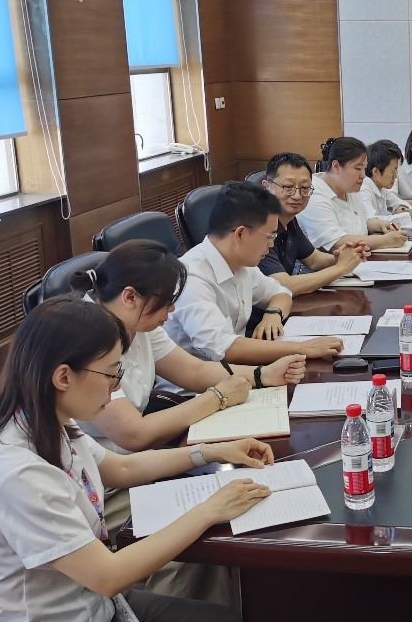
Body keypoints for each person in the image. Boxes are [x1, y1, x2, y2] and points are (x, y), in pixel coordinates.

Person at [0, 297, 275, 622]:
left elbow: (121, 468)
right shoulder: (16, 470)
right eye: (111, 373)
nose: (117, 385)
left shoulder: (49, 421)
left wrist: (212, 451)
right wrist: (209, 510)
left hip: (79, 615)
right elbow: (108, 576)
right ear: (63, 376)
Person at [70, 240, 303, 603]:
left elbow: (193, 370)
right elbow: (134, 434)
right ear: (130, 297)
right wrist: (217, 398)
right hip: (106, 484)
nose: (172, 311)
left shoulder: (135, 322)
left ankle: (224, 616)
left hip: (126, 466)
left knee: (231, 500)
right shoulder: (89, 343)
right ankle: (185, 619)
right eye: (166, 303)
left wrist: (260, 376)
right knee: (206, 525)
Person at [165, 181, 342, 366]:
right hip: (202, 381)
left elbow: (281, 292)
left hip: (239, 371)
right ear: (240, 234)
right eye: (270, 236)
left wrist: (273, 313)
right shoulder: (192, 279)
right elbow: (225, 349)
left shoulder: (241, 264)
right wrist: (302, 348)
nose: (271, 245)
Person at [258, 151, 365, 295]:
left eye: (305, 188)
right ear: (266, 186)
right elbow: (284, 285)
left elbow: (314, 260)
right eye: (288, 187)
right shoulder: (258, 226)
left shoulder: (289, 220)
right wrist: (340, 268)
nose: (297, 196)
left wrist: (342, 257)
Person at [300, 137, 409, 252]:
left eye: (364, 168)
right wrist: (384, 241)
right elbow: (336, 243)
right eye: (358, 168)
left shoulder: (350, 188)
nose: (363, 175)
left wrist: (382, 225)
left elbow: (365, 221)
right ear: (336, 166)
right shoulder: (314, 194)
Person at [362, 139, 412, 222]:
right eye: (393, 171)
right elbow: (372, 220)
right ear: (376, 172)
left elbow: (398, 202)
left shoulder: (381, 188)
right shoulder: (364, 190)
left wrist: (402, 209)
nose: (395, 176)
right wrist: (407, 216)